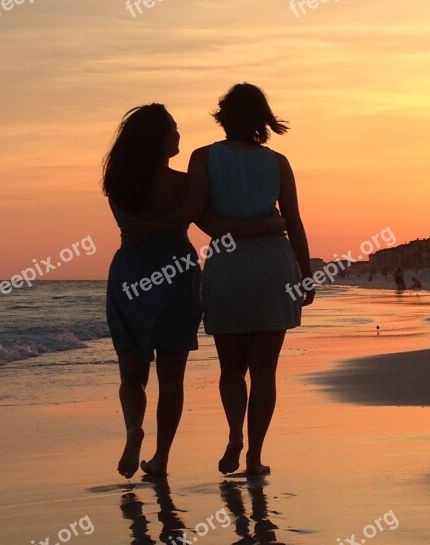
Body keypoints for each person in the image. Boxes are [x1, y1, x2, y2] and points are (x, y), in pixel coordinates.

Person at [104, 104, 286, 478]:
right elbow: (206, 222)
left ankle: (133, 430)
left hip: (131, 274)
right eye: (172, 129)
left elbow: (133, 228)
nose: (178, 136)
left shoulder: (117, 184)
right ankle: (161, 458)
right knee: (172, 378)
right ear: (158, 138)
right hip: (175, 275)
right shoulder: (182, 184)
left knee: (131, 372)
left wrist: (148, 230)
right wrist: (273, 223)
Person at [189, 83, 315, 476]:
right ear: (263, 119)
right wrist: (307, 274)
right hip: (273, 266)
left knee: (230, 368)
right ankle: (254, 457)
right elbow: (292, 221)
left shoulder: (203, 157)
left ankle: (234, 436)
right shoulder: (278, 162)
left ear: (223, 117)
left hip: (227, 265)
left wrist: (233, 229)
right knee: (264, 372)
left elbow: (199, 215)